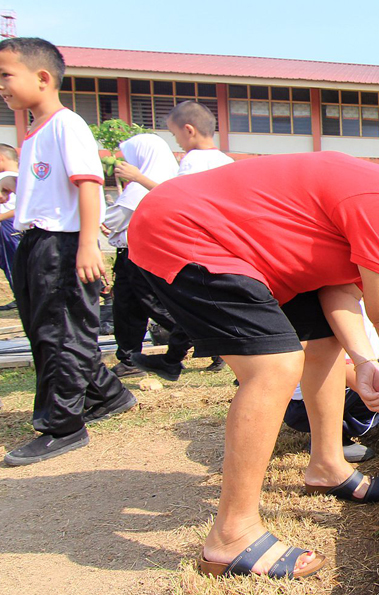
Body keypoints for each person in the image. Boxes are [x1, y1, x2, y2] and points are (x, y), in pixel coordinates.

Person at [128, 145, 379, 579]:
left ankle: (326, 464)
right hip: (186, 231)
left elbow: (338, 292)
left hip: (224, 241)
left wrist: (362, 359)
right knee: (276, 366)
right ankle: (232, 534)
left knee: (323, 342)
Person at [0, 37, 138, 466]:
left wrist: (86, 247)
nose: (1, 86)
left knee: (60, 333)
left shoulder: (66, 124)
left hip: (63, 244)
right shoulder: (35, 132)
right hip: (37, 243)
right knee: (46, 329)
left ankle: (63, 425)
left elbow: (88, 185)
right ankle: (108, 395)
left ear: (42, 78)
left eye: (6, 75)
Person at [119, 101, 235, 377]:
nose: (178, 142)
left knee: (189, 304)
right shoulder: (226, 160)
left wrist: (138, 178)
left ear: (189, 130)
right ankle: (180, 360)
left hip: (199, 244)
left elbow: (176, 197)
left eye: (175, 135)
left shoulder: (194, 160)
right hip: (223, 244)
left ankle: (175, 361)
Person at [283, 298, 379, 463]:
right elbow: (340, 369)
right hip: (304, 404)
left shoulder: (361, 302)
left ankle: (352, 422)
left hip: (331, 385)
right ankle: (328, 439)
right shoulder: (338, 306)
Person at [103, 133, 179, 378]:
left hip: (141, 254)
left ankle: (201, 337)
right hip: (133, 253)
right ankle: (129, 358)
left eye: (130, 158)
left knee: (152, 304)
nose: (125, 164)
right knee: (128, 306)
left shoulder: (142, 185)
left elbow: (113, 219)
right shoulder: (164, 178)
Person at [0, 143, 21, 309]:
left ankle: (22, 297)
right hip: (13, 226)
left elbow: (18, 208)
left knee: (13, 263)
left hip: (8, 226)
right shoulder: (22, 176)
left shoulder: (6, 177)